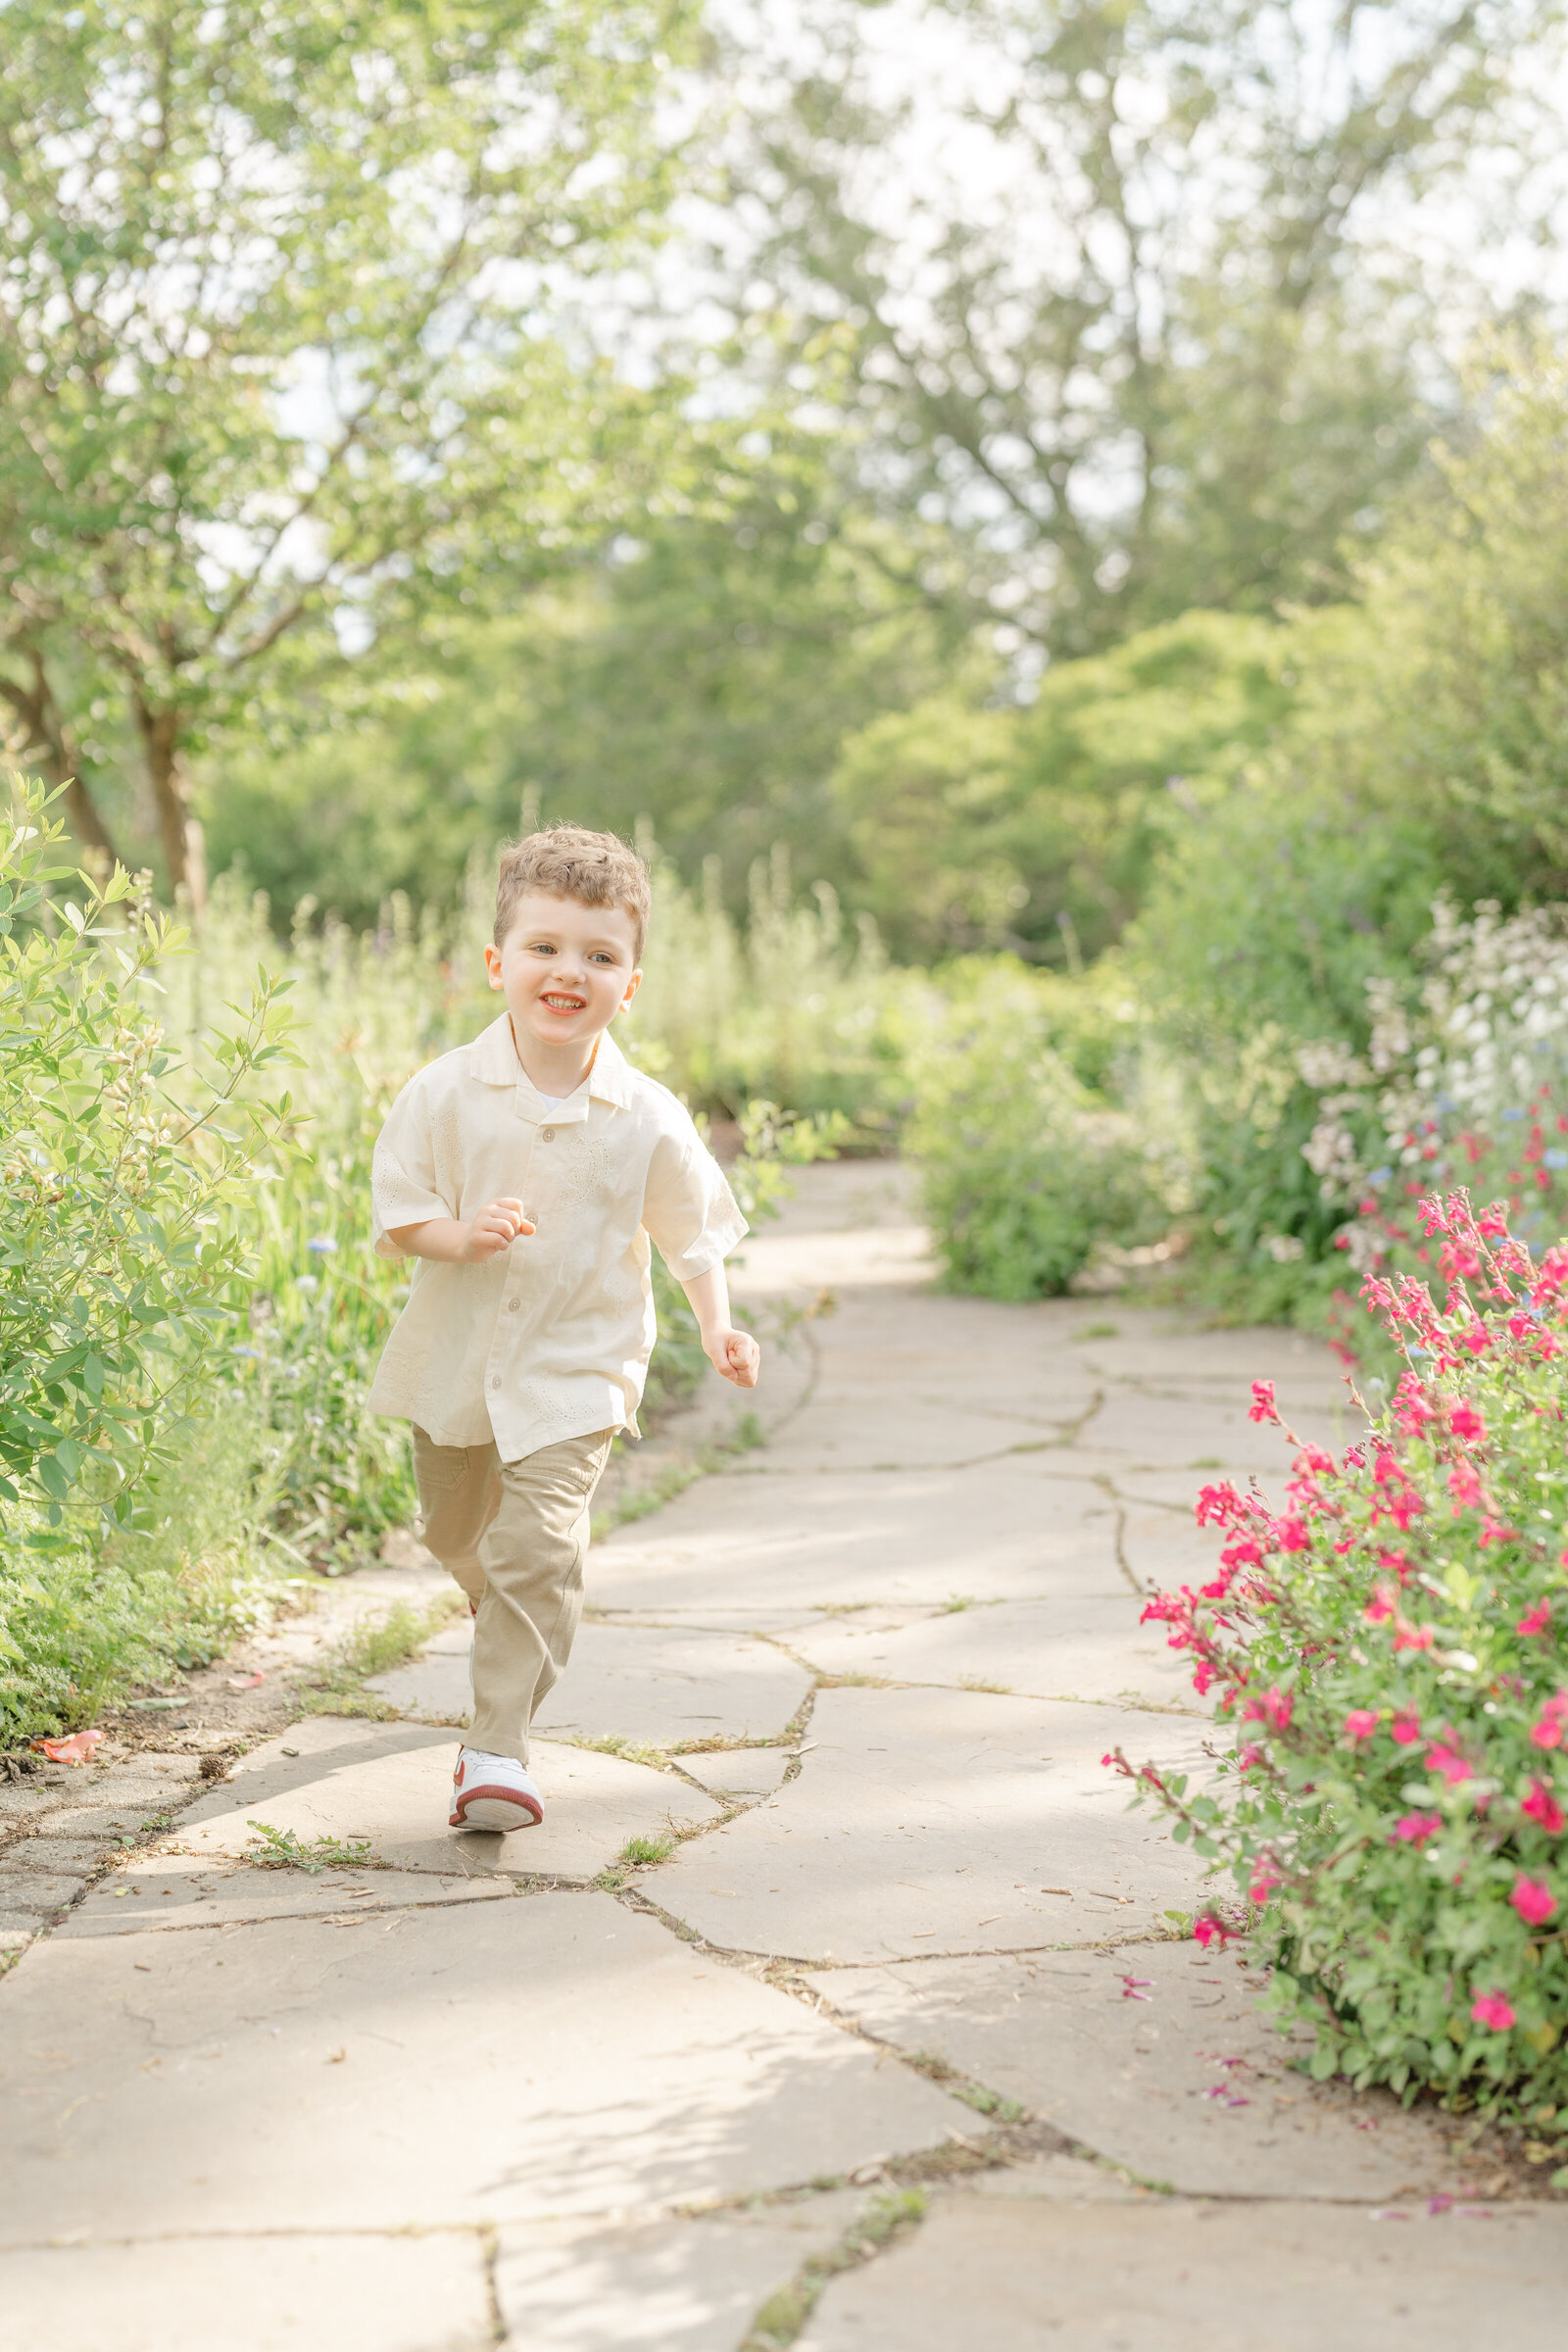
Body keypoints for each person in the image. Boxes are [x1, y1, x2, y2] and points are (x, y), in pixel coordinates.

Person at [368, 825, 760, 1832]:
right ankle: (499, 1604)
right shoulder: (444, 1092)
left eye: (599, 955)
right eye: (544, 948)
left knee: (535, 1549)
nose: (568, 972)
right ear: (499, 964)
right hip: (458, 1362)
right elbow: (400, 1212)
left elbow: (691, 1233)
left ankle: (496, 1751)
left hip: (578, 1368)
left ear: (630, 984)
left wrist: (718, 1326)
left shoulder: (647, 1116)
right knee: (457, 1533)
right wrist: (462, 1234)